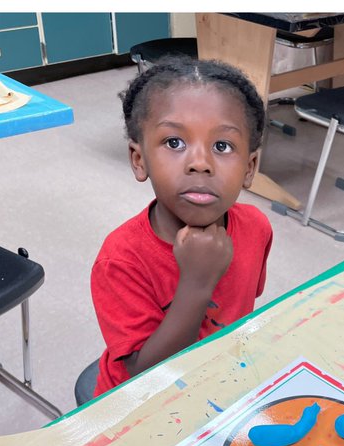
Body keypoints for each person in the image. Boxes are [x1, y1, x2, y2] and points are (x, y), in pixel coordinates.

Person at [91, 58, 272, 397]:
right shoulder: (120, 259)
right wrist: (198, 282)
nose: (200, 163)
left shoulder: (256, 227)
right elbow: (145, 376)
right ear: (139, 159)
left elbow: (238, 315)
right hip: (137, 405)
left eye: (222, 146)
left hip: (218, 384)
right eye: (174, 143)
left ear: (250, 168)